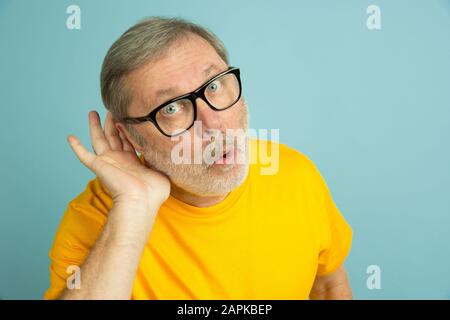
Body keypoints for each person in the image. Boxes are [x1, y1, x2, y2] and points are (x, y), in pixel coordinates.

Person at [44, 16, 353, 300]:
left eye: (214, 85)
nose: (214, 124)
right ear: (129, 137)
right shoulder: (94, 219)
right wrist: (134, 209)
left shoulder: (296, 174)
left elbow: (327, 284)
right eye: (171, 107)